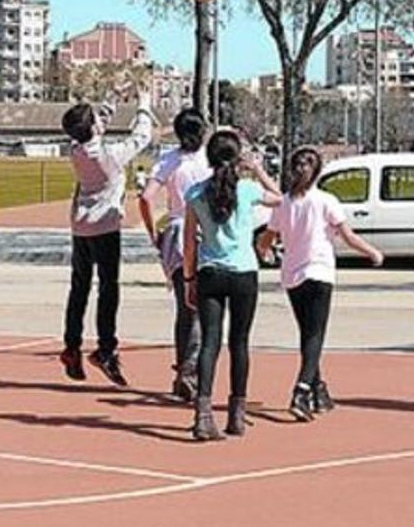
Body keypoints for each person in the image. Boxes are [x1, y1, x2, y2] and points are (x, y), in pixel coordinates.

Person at [256, 147, 383, 422]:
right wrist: (372, 252)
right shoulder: (326, 200)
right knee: (315, 335)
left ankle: (318, 388)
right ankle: (302, 390)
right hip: (319, 271)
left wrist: (262, 250)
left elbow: (266, 239)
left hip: (293, 275)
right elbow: (348, 236)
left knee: (307, 334)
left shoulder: (285, 204)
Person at [182, 130, 282, 441]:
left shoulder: (195, 194)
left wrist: (188, 278)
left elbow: (188, 243)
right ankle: (236, 413)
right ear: (236, 157)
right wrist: (258, 170)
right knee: (240, 343)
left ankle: (203, 413)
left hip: (210, 271)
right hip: (243, 273)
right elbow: (281, 198)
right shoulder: (248, 189)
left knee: (210, 342)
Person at [58, 87, 156, 386]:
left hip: (81, 226)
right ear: (93, 129)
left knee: (79, 287)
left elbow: (97, 120)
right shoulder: (109, 156)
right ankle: (105, 348)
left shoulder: (76, 147)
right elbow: (141, 138)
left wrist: (112, 96)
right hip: (104, 228)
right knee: (108, 289)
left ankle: (72, 345)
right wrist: (144, 105)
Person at [137, 109, 210, 402]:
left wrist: (154, 232)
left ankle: (184, 369)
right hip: (206, 234)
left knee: (185, 309)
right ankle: (192, 372)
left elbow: (145, 197)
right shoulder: (208, 159)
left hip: (178, 234)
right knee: (205, 310)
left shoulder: (169, 160)